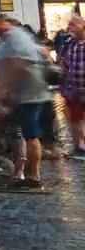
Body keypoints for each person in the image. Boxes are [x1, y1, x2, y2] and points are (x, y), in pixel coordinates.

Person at [0, 9, 52, 188]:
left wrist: (3, 89)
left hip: (28, 94)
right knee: (22, 132)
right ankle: (21, 171)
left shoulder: (16, 37)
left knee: (30, 135)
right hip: (24, 93)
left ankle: (33, 176)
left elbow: (20, 66)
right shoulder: (10, 38)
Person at [58, 16, 85, 158]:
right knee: (75, 119)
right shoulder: (69, 44)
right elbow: (64, 66)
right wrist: (62, 85)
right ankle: (79, 146)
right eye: (69, 25)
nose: (70, 28)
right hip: (73, 88)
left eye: (74, 25)